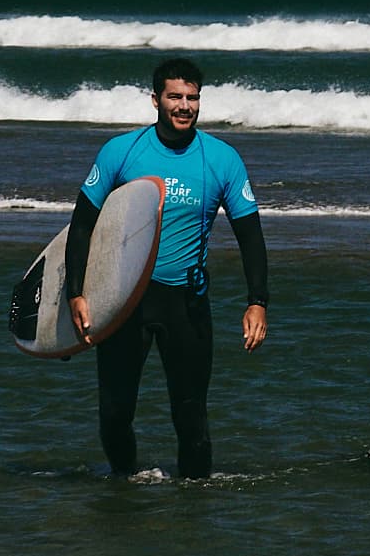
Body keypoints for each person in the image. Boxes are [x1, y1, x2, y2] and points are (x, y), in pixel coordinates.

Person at [66, 57, 269, 479]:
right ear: (155, 99)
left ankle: (194, 501)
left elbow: (250, 235)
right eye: (175, 97)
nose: (185, 106)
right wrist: (76, 292)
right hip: (125, 300)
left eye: (192, 98)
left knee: (191, 415)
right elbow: (82, 224)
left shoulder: (222, 159)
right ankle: (124, 485)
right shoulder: (121, 152)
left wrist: (257, 301)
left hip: (186, 302)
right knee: (115, 412)